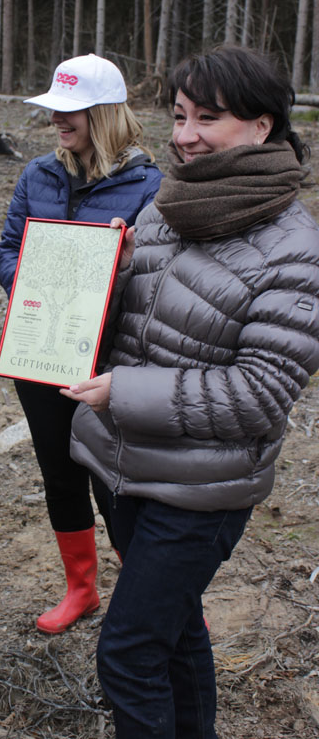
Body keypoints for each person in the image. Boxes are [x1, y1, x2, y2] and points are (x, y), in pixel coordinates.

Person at [64, 45, 319, 738]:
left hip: (201, 491)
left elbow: (260, 393)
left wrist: (123, 391)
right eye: (179, 116)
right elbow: (136, 320)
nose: (184, 134)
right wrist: (102, 277)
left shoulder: (294, 249)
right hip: (121, 467)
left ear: (262, 127)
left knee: (127, 653)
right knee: (175, 634)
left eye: (208, 118)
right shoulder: (167, 202)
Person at [0, 53, 163, 634]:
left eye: (70, 112)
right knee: (59, 472)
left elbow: (159, 277)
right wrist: (40, 285)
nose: (56, 121)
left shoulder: (152, 186)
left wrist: (115, 266)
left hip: (112, 361)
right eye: (53, 110)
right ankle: (82, 589)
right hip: (42, 350)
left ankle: (155, 597)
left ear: (105, 112)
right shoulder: (38, 175)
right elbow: (9, 252)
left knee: (116, 478)